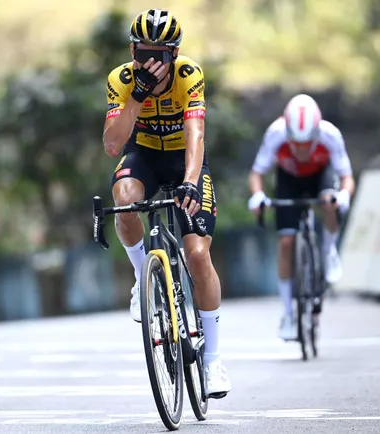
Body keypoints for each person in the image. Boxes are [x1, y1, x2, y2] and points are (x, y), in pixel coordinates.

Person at [102, 8, 231, 398]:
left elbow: (195, 132)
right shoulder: (121, 80)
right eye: (144, 54)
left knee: (196, 254)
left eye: (160, 54)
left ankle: (213, 363)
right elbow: (112, 144)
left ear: (174, 54)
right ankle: (144, 276)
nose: (152, 63)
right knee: (123, 199)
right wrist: (138, 97)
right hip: (144, 155)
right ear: (132, 51)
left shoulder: (188, 75)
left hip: (183, 159)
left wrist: (191, 182)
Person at [247, 94, 355, 341]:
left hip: (321, 176)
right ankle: (288, 313)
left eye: (308, 144)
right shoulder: (275, 133)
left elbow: (347, 176)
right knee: (286, 243)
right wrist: (258, 196)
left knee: (329, 201)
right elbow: (257, 173)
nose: (303, 149)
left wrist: (344, 195)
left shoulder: (330, 135)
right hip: (289, 179)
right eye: (297, 144)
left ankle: (329, 252)